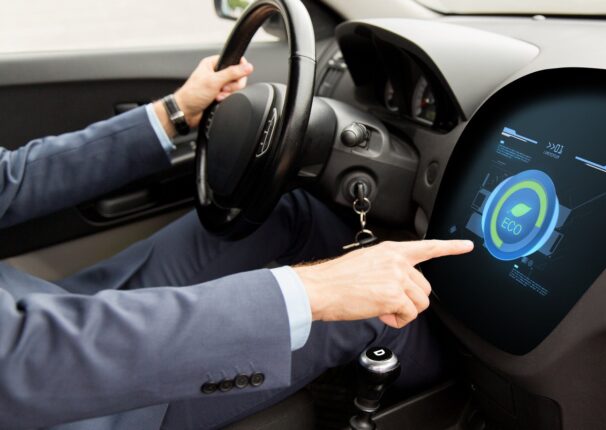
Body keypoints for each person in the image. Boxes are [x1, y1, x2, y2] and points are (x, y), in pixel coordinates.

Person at [0, 56, 473, 430]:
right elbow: (26, 360)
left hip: (52, 307)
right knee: (372, 310)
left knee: (292, 214)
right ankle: (469, 400)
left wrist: (174, 112)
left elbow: (8, 180)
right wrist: (317, 291)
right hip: (70, 394)